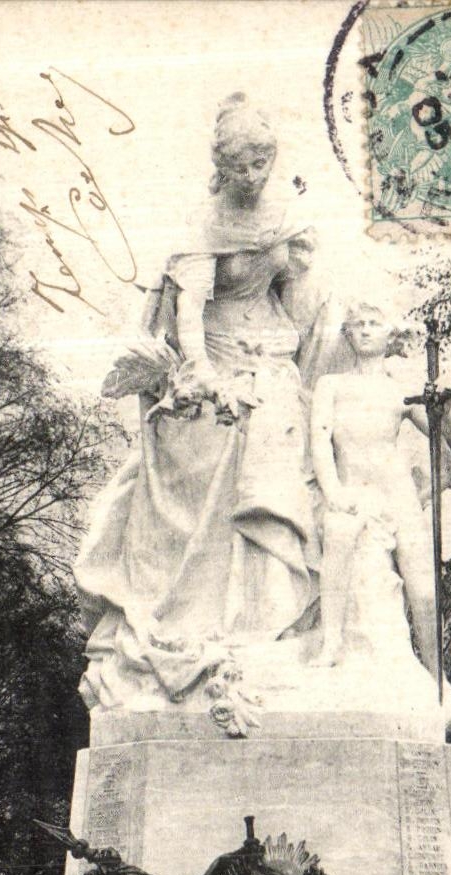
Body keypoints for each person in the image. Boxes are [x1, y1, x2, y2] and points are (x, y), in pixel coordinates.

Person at [75, 94, 342, 712]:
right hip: (211, 363)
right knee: (206, 452)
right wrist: (203, 376)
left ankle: (268, 629)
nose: (253, 176)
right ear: (222, 165)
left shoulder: (287, 219)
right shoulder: (199, 226)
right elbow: (188, 316)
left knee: (276, 473)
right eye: (242, 165)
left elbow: (303, 309)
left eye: (263, 163)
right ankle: (192, 625)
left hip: (273, 364)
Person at [309, 300, 451, 675]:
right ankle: (331, 643)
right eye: (358, 324)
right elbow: (320, 440)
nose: (365, 330)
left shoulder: (401, 391)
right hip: (352, 487)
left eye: (374, 323)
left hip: (396, 492)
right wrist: (333, 490)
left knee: (425, 592)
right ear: (347, 335)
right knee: (338, 539)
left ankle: (436, 674)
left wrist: (448, 409)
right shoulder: (331, 385)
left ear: (389, 335)